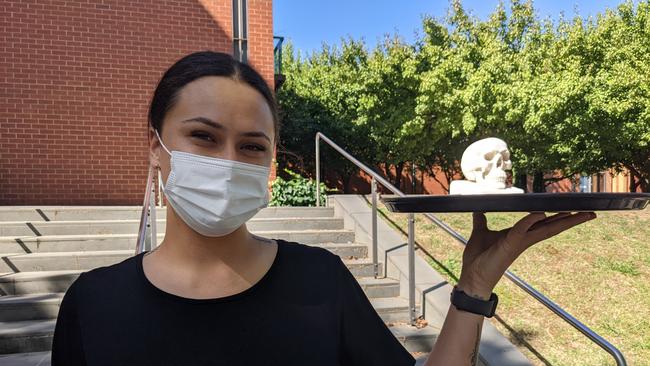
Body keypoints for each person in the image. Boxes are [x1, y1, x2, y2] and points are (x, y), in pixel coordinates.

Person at [51, 51, 596, 366]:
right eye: (202, 136)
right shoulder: (92, 303)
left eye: (251, 146)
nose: (228, 160)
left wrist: (474, 286)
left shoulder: (319, 282)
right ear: (156, 146)